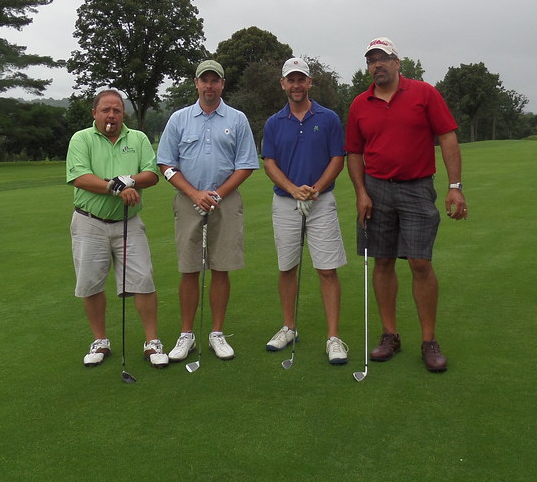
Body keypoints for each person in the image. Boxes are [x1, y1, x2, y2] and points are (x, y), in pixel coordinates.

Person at [345, 37, 468, 373]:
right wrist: (360, 192)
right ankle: (390, 334)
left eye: (383, 59)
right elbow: (354, 153)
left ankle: (429, 340)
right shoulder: (360, 104)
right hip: (376, 190)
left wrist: (454, 186)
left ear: (397, 63)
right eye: (371, 61)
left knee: (419, 263)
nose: (377, 65)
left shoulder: (424, 93)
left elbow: (447, 137)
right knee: (382, 262)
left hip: (416, 188)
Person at [157, 59, 259, 362]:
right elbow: (166, 163)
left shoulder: (238, 119)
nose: (209, 86)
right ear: (196, 83)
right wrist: (193, 193)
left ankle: (216, 333)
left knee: (221, 267)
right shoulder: (179, 118)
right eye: (205, 80)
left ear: (222, 84)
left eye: (215, 81)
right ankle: (186, 334)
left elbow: (246, 164)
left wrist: (216, 194)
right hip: (189, 201)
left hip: (225, 201)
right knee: (189, 269)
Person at [66, 89, 168, 369]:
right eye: (106, 110)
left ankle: (152, 341)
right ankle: (100, 341)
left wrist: (128, 182)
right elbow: (79, 177)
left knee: (143, 281)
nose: (111, 115)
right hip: (89, 222)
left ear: (124, 114)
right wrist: (116, 187)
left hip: (129, 223)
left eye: (117, 110)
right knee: (90, 283)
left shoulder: (137, 139)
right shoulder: (81, 138)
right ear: (94, 113)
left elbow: (151, 174)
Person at [261, 57, 349, 365]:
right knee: (287, 267)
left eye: (301, 79)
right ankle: (289, 327)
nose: (296, 85)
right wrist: (292, 189)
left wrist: (315, 188)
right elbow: (269, 163)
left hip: (321, 202)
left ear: (309, 82)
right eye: (291, 80)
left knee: (326, 269)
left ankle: (334, 337)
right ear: (283, 84)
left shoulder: (328, 118)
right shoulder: (274, 122)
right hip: (285, 202)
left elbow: (338, 158)